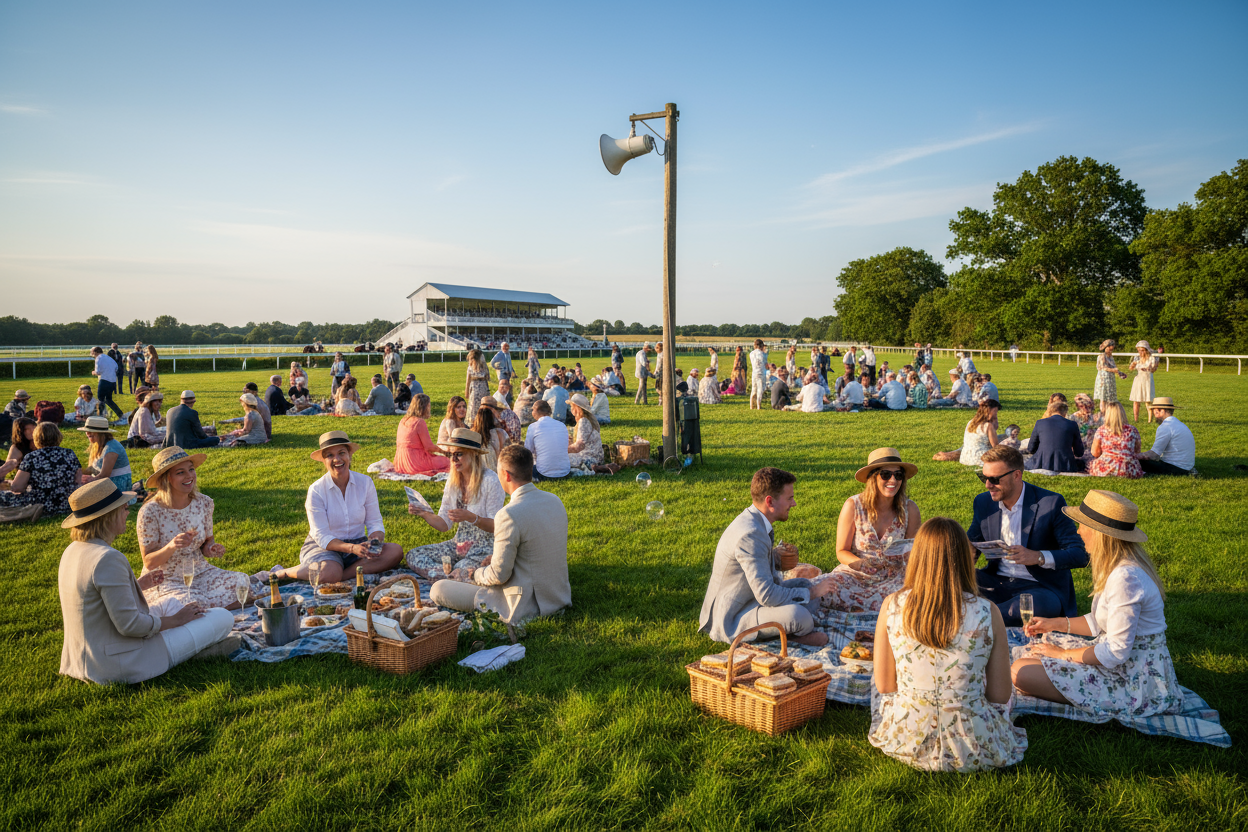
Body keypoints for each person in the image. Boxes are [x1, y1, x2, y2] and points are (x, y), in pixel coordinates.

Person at [869, 516, 1026, 772]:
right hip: (974, 745)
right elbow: (1000, 695)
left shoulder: (892, 605)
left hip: (907, 738)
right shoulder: (988, 611)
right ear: (964, 557)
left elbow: (885, 685)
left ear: (917, 556)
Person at [1012, 490, 1183, 722]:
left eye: (1083, 525)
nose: (1078, 531)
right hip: (1121, 665)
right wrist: (1054, 624)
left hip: (1133, 682)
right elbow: (1098, 621)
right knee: (1026, 656)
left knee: (1019, 672)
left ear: (1101, 534)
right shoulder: (1117, 568)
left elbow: (1116, 652)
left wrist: (1063, 655)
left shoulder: (1126, 578)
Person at [57, 480, 236, 685]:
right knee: (222, 617)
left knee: (174, 604)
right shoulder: (107, 558)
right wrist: (176, 621)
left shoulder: (72, 550)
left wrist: (137, 585)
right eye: (124, 508)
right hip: (121, 660)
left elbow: (93, 602)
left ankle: (184, 627)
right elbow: (131, 626)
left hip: (87, 656)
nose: (127, 513)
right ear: (108, 516)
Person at [429, 445, 571, 629]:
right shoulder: (555, 501)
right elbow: (533, 550)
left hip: (524, 604)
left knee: (439, 588)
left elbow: (498, 576)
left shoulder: (509, 514)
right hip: (557, 596)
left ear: (506, 475)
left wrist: (475, 574)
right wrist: (494, 559)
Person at [698, 467, 831, 647]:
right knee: (800, 616)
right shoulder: (750, 533)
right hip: (735, 615)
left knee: (806, 585)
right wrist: (813, 593)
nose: (794, 504)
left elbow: (752, 566)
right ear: (770, 501)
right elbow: (767, 595)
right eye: (790, 498)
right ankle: (789, 639)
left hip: (752, 598)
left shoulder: (756, 520)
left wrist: (776, 558)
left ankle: (786, 631)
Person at [969, 445, 1088, 626]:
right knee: (948, 581)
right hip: (996, 580)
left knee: (1029, 607)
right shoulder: (983, 502)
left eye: (994, 479)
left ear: (1017, 475)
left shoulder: (1050, 503)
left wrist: (1038, 556)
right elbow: (972, 543)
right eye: (983, 477)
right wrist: (966, 556)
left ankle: (976, 617)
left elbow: (1080, 554)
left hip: (1039, 587)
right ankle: (987, 614)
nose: (987, 485)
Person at [270, 431, 404, 583]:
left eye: (341, 453)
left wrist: (375, 540)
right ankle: (285, 572)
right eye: (330, 456)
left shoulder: (365, 483)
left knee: (395, 551)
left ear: (349, 456)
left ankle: (339, 576)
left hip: (358, 544)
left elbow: (374, 521)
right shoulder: (316, 490)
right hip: (324, 547)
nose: (337, 459)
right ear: (324, 461)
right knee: (329, 571)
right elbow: (322, 536)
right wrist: (352, 548)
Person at [136, 446, 244, 611]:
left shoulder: (204, 503)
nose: (189, 476)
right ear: (167, 479)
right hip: (165, 579)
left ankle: (211, 614)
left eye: (191, 469)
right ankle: (212, 613)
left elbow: (207, 543)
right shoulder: (150, 512)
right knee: (190, 604)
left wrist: (211, 548)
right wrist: (172, 546)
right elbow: (149, 562)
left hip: (200, 572)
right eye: (180, 472)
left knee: (242, 584)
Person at [817, 449, 921, 613]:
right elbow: (841, 551)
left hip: (893, 577)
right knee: (823, 590)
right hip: (856, 574)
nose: (893, 480)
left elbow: (913, 554)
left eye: (898, 475)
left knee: (908, 599)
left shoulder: (910, 509)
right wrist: (861, 564)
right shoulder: (853, 505)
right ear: (873, 477)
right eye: (886, 474)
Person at [406, 428, 505, 576]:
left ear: (473, 454)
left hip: (483, 547)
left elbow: (497, 527)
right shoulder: (453, 481)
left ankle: (451, 575)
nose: (453, 460)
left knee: (462, 567)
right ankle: (449, 575)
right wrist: (423, 513)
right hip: (458, 544)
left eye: (459, 454)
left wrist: (472, 518)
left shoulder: (490, 481)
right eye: (451, 455)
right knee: (414, 555)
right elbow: (444, 524)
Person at [0, 422, 81, 515]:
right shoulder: (70, 454)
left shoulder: (32, 457)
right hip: (67, 504)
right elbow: (78, 481)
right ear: (58, 436)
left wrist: (11, 483)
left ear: (36, 438)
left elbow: (17, 488)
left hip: (40, 505)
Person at [394, 395, 451, 476]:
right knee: (448, 462)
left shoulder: (403, 420)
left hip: (401, 461)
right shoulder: (419, 422)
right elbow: (429, 447)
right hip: (415, 462)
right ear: (425, 407)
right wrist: (443, 452)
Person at [1140, 397, 1196, 476]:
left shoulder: (1165, 426)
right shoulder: (1180, 424)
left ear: (1162, 411)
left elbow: (1154, 455)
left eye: (1155, 412)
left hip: (1176, 468)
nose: (1154, 416)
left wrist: (1133, 456)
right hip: (1187, 467)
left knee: (1137, 462)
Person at [1024, 400, 1084, 473]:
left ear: (1050, 411)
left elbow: (1031, 448)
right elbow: (1079, 452)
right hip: (1065, 464)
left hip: (1042, 462)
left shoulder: (1040, 423)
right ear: (1065, 412)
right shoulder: (1072, 424)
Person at [79, 415, 133, 495]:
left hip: (116, 485)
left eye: (91, 430)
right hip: (104, 482)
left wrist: (89, 480)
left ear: (101, 433)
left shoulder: (111, 448)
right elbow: (92, 469)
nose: (87, 433)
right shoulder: (98, 444)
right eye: (87, 430)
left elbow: (104, 476)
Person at [1088, 403, 1143, 479]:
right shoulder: (1132, 430)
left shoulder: (1102, 430)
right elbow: (1137, 451)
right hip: (1129, 469)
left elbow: (1095, 453)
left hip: (1106, 468)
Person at [524, 400, 570, 482]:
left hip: (543, 473)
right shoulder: (562, 425)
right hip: (565, 472)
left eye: (532, 410)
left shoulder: (533, 427)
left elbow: (528, 452)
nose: (532, 412)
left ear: (537, 410)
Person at [566, 393, 604, 473]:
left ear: (577, 407)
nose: (571, 409)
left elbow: (579, 446)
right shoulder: (588, 419)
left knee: (559, 459)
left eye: (572, 406)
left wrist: (562, 450)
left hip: (590, 458)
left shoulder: (583, 421)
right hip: (596, 456)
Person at [959, 400, 1001, 467]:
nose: (996, 414)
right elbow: (995, 446)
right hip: (980, 458)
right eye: (995, 413)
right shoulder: (988, 426)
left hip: (965, 457)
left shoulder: (970, 422)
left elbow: (996, 427)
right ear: (988, 411)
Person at [471, 403, 509, 472]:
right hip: (496, 469)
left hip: (477, 470)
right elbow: (503, 451)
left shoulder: (472, 434)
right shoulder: (499, 432)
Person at [1127, 341, 1159, 423]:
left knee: (1147, 401)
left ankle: (1149, 420)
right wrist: (1132, 365)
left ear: (1146, 350)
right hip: (1138, 380)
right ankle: (1136, 419)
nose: (1140, 352)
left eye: (1142, 350)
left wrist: (1149, 369)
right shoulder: (1137, 358)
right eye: (1139, 350)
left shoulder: (1151, 358)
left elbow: (1153, 370)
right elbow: (1130, 369)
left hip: (1147, 379)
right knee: (1136, 400)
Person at [90, 347, 124, 420]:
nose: (91, 354)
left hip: (104, 380)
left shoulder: (98, 358)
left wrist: (94, 372)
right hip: (113, 381)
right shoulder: (109, 358)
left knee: (100, 399)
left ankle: (100, 417)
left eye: (92, 352)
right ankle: (120, 414)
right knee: (108, 399)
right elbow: (116, 367)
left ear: (95, 352)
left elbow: (98, 371)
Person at [1093, 339, 1127, 412]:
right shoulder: (1102, 356)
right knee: (1103, 398)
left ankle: (1108, 414)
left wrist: (1120, 373)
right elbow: (1102, 367)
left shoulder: (1111, 357)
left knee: (1109, 399)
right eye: (1109, 348)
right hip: (1104, 379)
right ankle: (1103, 414)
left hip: (1110, 378)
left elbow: (1113, 367)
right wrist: (1113, 370)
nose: (1110, 350)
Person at [465, 348, 490, 423]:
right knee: (479, 405)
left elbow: (468, 381)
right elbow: (488, 377)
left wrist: (467, 391)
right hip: (481, 388)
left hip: (476, 389)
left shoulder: (471, 368)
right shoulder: (483, 367)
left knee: (474, 406)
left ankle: (476, 421)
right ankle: (480, 420)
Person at [748, 339, 768, 410]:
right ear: (761, 345)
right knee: (760, 389)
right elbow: (765, 364)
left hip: (754, 372)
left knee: (753, 389)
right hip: (761, 372)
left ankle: (751, 406)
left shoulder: (751, 353)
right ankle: (758, 406)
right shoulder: (762, 354)